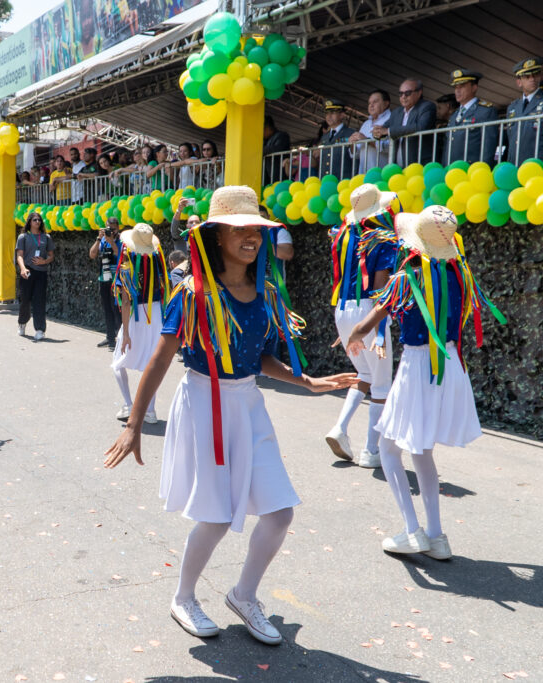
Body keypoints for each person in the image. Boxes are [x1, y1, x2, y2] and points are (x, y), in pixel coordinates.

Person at [104, 185, 357, 644]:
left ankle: (243, 595)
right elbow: (160, 359)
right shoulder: (194, 293)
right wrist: (134, 424)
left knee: (279, 514)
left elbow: (261, 358)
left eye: (256, 231)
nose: (251, 238)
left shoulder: (265, 293)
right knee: (217, 517)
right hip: (205, 404)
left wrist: (308, 382)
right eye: (239, 230)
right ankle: (183, 596)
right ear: (217, 235)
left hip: (248, 405)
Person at [346, 205, 504, 558]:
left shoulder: (407, 279)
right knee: (421, 451)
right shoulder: (460, 276)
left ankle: (412, 530)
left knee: (388, 449)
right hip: (448, 365)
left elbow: (368, 321)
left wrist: (355, 336)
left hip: (420, 365)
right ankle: (436, 535)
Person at [324, 185, 398, 468]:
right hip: (368, 308)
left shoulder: (342, 235)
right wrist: (378, 324)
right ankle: (371, 450)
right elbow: (379, 287)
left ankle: (340, 428)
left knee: (364, 372)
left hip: (342, 309)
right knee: (381, 384)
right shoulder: (383, 239)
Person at [109, 223, 168, 424]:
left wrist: (126, 332)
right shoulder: (159, 265)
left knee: (118, 361)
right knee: (152, 364)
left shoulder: (126, 268)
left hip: (137, 317)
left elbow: (126, 302)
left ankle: (129, 404)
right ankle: (150, 410)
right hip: (156, 315)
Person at [505, 57, 543, 164]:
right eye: (527, 76)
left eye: (536, 74)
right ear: (519, 82)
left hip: (541, 165)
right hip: (516, 167)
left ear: (540, 76)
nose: (532, 79)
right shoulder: (513, 107)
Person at [445, 69, 498, 164]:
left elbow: (489, 145)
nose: (457, 90)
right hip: (452, 171)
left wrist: (483, 169)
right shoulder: (454, 115)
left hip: (472, 170)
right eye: (456, 87)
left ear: (474, 87)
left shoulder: (485, 111)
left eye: (462, 86)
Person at [16, 212, 55, 341]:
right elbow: (20, 255)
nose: (37, 222)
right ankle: (22, 322)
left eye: (39, 220)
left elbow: (51, 256)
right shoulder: (23, 237)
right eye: (34, 220)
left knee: (39, 301)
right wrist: (23, 268)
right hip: (28, 271)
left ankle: (40, 329)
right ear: (29, 222)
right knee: (25, 300)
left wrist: (44, 261)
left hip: (41, 272)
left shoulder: (46, 237)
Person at [380, 79, 437, 165]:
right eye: (400, 94)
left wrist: (389, 131)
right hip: (398, 167)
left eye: (407, 93)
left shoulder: (427, 107)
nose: (403, 96)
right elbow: (384, 128)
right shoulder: (397, 112)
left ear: (419, 93)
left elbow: (420, 127)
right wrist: (377, 132)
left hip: (419, 165)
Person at [88, 217, 122, 348]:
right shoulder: (102, 239)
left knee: (117, 310)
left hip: (117, 279)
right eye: (108, 228)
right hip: (104, 278)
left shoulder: (121, 239)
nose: (111, 231)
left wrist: (112, 241)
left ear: (118, 228)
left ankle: (119, 338)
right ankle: (109, 337)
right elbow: (92, 254)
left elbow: (118, 253)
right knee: (107, 309)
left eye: (113, 229)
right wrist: (98, 239)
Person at [350, 90, 392, 173]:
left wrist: (367, 141)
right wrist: (352, 144)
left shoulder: (391, 118)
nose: (371, 105)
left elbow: (390, 147)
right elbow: (356, 154)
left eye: (375, 102)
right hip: (364, 175)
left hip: (383, 174)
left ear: (386, 103)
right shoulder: (366, 123)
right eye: (369, 103)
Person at [315, 99, 356, 178]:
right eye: (327, 113)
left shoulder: (350, 133)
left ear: (342, 115)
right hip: (326, 181)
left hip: (343, 182)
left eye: (333, 113)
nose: (329, 116)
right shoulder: (325, 137)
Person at [262, 117, 291, 185]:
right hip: (269, 175)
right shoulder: (266, 140)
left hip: (279, 174)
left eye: (262, 129)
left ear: (268, 128)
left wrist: (260, 150)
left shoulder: (282, 135)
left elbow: (278, 148)